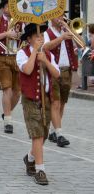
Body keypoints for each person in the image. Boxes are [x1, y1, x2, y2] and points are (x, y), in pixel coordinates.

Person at [16, 23, 60, 185]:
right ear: (29, 39)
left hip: (45, 98)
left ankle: (30, 157)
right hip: (30, 99)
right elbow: (27, 70)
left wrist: (46, 61)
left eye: (41, 36)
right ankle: (40, 170)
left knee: (44, 134)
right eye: (36, 36)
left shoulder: (48, 54)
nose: (40, 39)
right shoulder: (22, 53)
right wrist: (35, 52)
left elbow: (56, 74)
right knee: (37, 134)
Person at [43, 15, 81, 147]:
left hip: (67, 71)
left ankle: (54, 130)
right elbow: (46, 47)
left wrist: (71, 31)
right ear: (51, 18)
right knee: (55, 102)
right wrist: (61, 38)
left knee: (62, 103)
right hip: (53, 70)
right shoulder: (47, 32)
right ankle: (59, 134)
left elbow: (81, 44)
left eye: (62, 16)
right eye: (57, 16)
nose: (60, 18)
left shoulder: (68, 31)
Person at [0, 0, 23, 133]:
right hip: (2, 57)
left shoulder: (20, 21)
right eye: (8, 7)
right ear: (3, 8)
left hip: (16, 56)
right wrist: (7, 33)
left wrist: (20, 35)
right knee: (7, 90)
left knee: (17, 92)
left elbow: (27, 37)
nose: (11, 9)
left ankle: (6, 113)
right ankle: (8, 121)